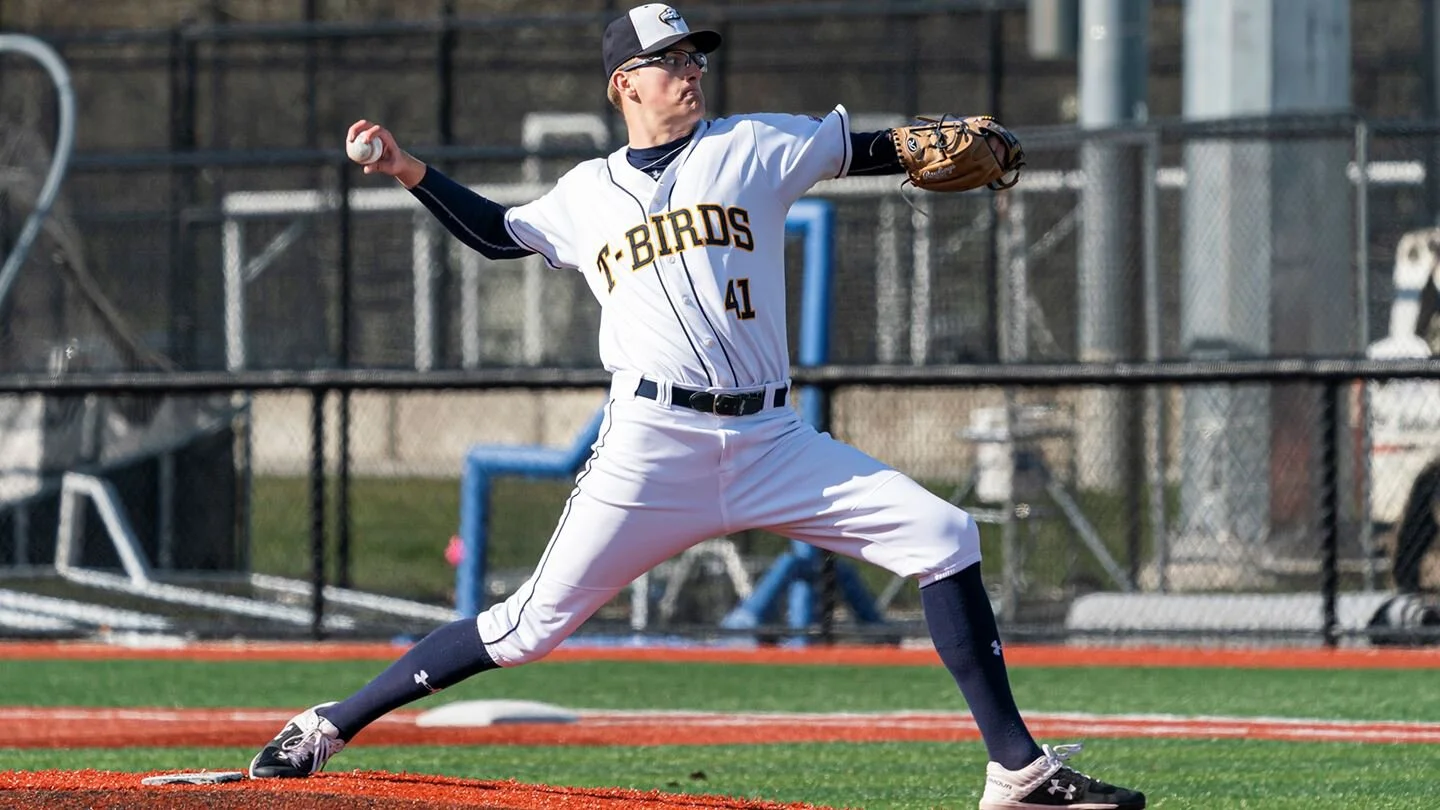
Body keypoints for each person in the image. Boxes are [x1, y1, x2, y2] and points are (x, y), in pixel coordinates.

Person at [249, 5, 1146, 808]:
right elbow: (496, 234)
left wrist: (919, 142)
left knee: (945, 538)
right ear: (623, 83)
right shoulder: (585, 194)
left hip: (770, 438)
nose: (691, 70)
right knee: (524, 629)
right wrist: (409, 168)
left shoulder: (751, 144)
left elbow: (871, 149)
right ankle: (329, 722)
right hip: (653, 444)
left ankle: (1018, 774)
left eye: (694, 56)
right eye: (669, 58)